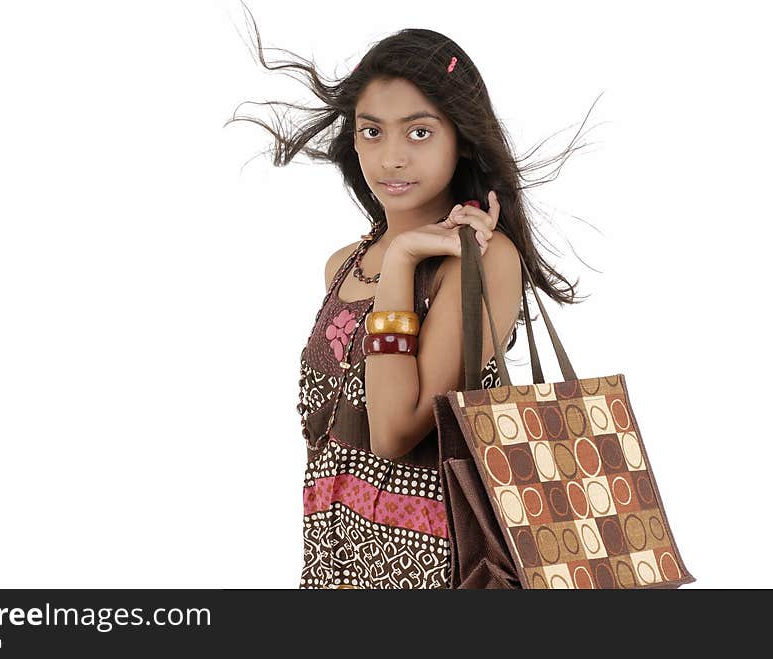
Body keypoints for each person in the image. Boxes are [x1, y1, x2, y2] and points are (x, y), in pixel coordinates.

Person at [225, 7, 592, 589]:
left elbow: (395, 431)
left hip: (442, 570)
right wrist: (393, 253)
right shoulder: (341, 265)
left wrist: (401, 263)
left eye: (419, 132)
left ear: (462, 142)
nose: (391, 156)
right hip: (335, 561)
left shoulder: (485, 261)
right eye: (372, 131)